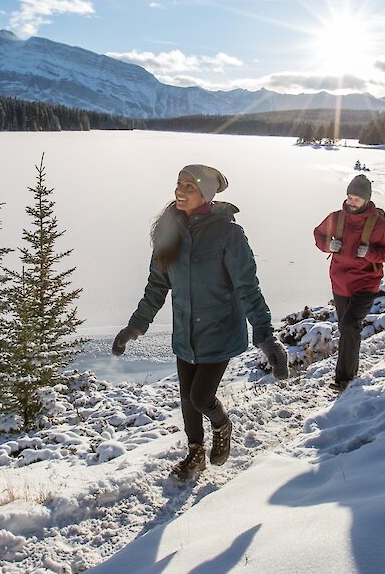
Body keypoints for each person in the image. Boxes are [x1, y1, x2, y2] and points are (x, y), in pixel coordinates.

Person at [112, 164, 288, 480]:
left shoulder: (228, 234)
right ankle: (195, 454)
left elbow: (247, 287)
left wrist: (265, 335)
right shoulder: (171, 232)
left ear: (205, 193)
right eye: (178, 184)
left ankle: (222, 425)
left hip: (219, 331)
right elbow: (157, 285)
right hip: (185, 334)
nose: (180, 191)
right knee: (187, 400)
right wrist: (135, 326)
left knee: (200, 397)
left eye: (189, 186)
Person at [314, 174, 385, 392]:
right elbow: (318, 234)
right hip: (340, 282)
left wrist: (372, 254)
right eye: (349, 197)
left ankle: (344, 379)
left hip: (365, 283)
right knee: (346, 329)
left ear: (367, 200)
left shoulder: (379, 225)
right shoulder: (336, 218)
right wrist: (328, 246)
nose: (351, 202)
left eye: (357, 198)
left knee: (349, 324)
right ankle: (348, 372)